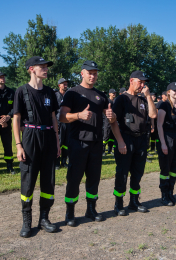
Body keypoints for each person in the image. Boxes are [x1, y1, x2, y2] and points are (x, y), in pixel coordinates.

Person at [59, 60, 116, 227]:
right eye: (89, 72)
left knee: (94, 179)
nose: (93, 75)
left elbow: (111, 117)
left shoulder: (101, 96)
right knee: (74, 179)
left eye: (95, 73)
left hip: (96, 144)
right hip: (78, 142)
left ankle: (91, 209)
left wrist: (112, 116)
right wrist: (78, 116)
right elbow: (61, 117)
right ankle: (70, 212)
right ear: (82, 73)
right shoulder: (72, 93)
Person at [13, 56, 61, 238]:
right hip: (30, 137)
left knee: (48, 179)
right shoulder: (21, 91)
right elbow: (16, 120)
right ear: (31, 69)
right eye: (42, 66)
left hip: (48, 136)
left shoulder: (50, 92)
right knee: (28, 180)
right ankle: (27, 221)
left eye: (46, 66)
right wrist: (19, 145)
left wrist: (57, 142)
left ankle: (44, 219)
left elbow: (54, 118)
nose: (46, 69)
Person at [110, 70, 157, 216]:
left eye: (144, 83)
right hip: (126, 139)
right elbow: (113, 121)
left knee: (138, 173)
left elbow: (153, 114)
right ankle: (118, 203)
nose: (142, 85)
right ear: (131, 81)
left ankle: (134, 201)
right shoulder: (121, 99)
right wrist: (120, 141)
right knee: (122, 173)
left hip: (141, 140)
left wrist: (148, 96)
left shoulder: (143, 99)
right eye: (140, 82)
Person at [157, 82, 176, 206]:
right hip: (168, 138)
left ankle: (171, 193)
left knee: (174, 169)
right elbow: (159, 125)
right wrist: (163, 143)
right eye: (175, 90)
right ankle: (164, 195)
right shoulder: (164, 105)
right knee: (166, 169)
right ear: (168, 92)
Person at [0, 71, 15, 177]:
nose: (3, 79)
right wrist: (0, 120)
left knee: (8, 145)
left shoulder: (11, 92)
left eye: (3, 77)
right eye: (0, 77)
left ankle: (10, 166)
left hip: (7, 124)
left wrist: (8, 117)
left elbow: (15, 107)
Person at [55, 78, 70, 170]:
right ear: (59, 85)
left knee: (66, 142)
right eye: (63, 84)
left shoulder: (68, 95)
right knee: (58, 142)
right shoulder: (55, 95)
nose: (65, 85)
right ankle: (56, 162)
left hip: (67, 123)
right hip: (58, 122)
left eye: (66, 84)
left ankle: (64, 161)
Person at [103, 88, 116, 156]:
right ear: (109, 94)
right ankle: (102, 150)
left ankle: (110, 150)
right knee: (106, 136)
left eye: (115, 93)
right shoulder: (107, 101)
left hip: (113, 122)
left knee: (112, 137)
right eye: (113, 93)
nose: (114, 94)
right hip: (107, 121)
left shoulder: (115, 101)